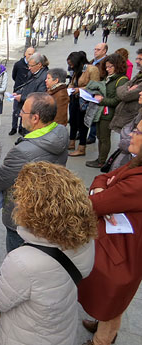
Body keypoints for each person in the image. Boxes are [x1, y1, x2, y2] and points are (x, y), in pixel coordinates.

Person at [0, 161, 96, 345]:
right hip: (61, 327)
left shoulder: (24, 261)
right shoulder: (84, 238)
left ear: (36, 208)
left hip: (27, 336)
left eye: (21, 196)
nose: (17, 201)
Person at [78, 118, 142, 345]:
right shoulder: (135, 164)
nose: (131, 135)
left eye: (138, 131)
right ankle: (102, 324)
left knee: (115, 296)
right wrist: (100, 186)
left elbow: (96, 203)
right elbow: (105, 176)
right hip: (121, 241)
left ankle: (103, 340)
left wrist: (98, 191)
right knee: (112, 296)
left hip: (126, 249)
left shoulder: (138, 182)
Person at [0, 93, 69, 252]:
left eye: (24, 111)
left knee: (16, 258)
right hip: (47, 208)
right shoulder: (60, 132)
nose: (20, 113)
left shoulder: (22, 151)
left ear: (35, 118)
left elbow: (0, 180)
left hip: (22, 217)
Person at [86, 54, 129, 169]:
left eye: (110, 67)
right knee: (100, 136)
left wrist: (102, 100)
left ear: (117, 66)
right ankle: (100, 158)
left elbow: (117, 100)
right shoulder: (110, 78)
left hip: (109, 113)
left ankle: (101, 160)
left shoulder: (121, 80)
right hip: (102, 111)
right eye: (106, 67)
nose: (108, 69)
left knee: (104, 138)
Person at [67, 51, 100, 156]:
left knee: (82, 124)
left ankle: (82, 148)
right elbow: (72, 82)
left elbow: (95, 86)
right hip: (75, 99)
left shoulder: (92, 69)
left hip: (85, 101)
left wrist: (79, 90)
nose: (70, 66)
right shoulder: (78, 70)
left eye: (71, 64)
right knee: (72, 121)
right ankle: (71, 142)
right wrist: (69, 89)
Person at [13, 53, 49, 136]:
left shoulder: (44, 77)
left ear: (39, 64)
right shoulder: (33, 73)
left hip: (34, 111)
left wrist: (22, 98)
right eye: (28, 65)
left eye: (31, 66)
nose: (29, 68)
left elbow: (40, 97)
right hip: (27, 109)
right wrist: (19, 93)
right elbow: (28, 87)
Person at [110, 48, 142, 133]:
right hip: (127, 116)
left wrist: (125, 89)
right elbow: (122, 87)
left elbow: (125, 96)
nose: (137, 61)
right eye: (137, 58)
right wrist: (126, 88)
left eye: (140, 59)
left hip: (132, 117)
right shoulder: (139, 74)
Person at [10, 47, 35, 135]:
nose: (31, 56)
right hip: (17, 90)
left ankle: (21, 127)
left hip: (27, 92)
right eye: (29, 54)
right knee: (15, 110)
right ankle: (13, 127)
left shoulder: (34, 65)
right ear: (25, 54)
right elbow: (14, 76)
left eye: (32, 54)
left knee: (25, 110)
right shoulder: (18, 64)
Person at [88, 43, 109, 144]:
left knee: (96, 114)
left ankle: (92, 135)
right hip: (90, 90)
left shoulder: (106, 63)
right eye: (95, 49)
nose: (95, 51)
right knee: (89, 112)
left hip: (99, 92)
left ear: (104, 51)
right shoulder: (92, 61)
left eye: (98, 49)